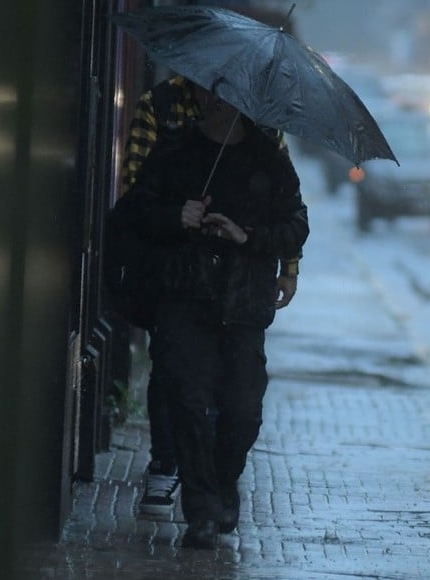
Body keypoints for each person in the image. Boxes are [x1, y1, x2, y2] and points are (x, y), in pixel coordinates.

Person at [114, 89, 309, 548]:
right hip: (184, 297)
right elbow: (135, 211)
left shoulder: (268, 157)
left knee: (243, 409)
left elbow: (296, 223)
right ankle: (201, 509)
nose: (212, 103)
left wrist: (248, 236)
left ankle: (223, 484)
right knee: (188, 401)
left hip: (243, 305)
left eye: (222, 98)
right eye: (208, 95)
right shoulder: (176, 149)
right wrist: (176, 216)